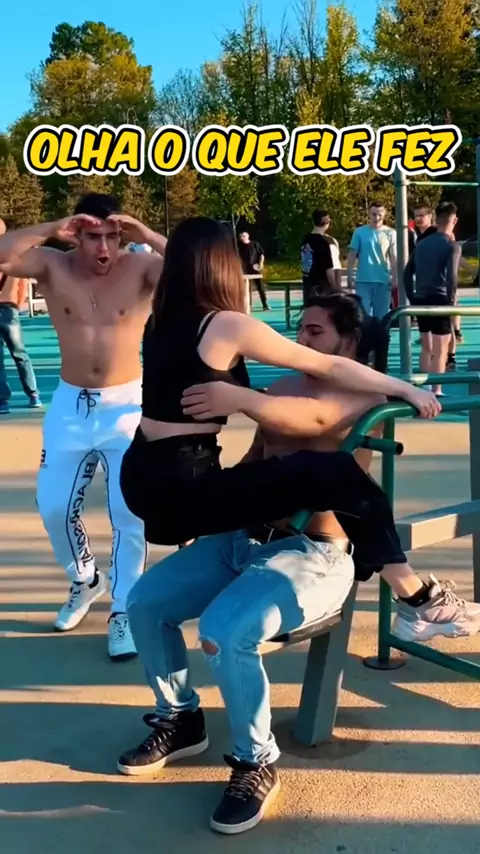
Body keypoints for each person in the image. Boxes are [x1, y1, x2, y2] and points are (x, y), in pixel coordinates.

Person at [117, 292, 478, 835]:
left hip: (313, 552)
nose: (300, 341)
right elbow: (256, 460)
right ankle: (181, 717)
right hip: (245, 539)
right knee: (145, 602)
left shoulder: (364, 399)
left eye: (315, 332)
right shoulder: (281, 386)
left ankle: (256, 761)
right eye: (300, 330)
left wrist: (240, 397)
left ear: (349, 343)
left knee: (224, 631)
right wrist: (204, 504)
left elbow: (313, 419)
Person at [119, 215, 440, 565]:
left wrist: (149, 236)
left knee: (294, 479)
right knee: (337, 472)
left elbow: (185, 265)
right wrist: (405, 388)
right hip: (185, 483)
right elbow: (328, 365)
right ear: (224, 265)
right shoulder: (226, 325)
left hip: (140, 476)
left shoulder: (160, 320)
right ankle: (411, 589)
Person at [0, 193, 167, 660]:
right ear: (76, 235)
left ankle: (124, 608)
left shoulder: (142, 267)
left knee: (128, 512)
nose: (103, 248)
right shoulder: (52, 265)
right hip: (71, 406)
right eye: (93, 237)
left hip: (126, 405)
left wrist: (145, 233)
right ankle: (86, 578)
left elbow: (201, 272)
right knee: (53, 505)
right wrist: (51, 227)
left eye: (112, 236)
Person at [404, 202, 461, 397]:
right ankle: (437, 389)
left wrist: (412, 297)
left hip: (421, 297)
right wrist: (451, 301)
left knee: (426, 347)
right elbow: (452, 276)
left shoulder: (422, 244)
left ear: (436, 219)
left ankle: (425, 387)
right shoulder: (451, 245)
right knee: (440, 347)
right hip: (439, 298)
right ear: (454, 221)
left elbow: (407, 272)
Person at [0, 219, 42, 413]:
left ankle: (3, 400)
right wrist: (17, 303)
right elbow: (23, 283)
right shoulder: (15, 255)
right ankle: (33, 394)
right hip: (10, 308)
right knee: (20, 354)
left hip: (8, 306)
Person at [347, 202, 397, 318]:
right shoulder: (359, 232)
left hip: (383, 281)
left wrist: (395, 277)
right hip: (363, 280)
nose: (377, 218)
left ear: (384, 214)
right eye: (374, 214)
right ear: (369, 214)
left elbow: (394, 256)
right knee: (362, 316)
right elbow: (352, 254)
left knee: (381, 317)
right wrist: (349, 275)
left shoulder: (390, 233)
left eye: (379, 215)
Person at [300, 209, 341, 302]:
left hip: (308, 284)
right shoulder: (326, 242)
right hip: (322, 287)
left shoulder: (305, 240)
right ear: (327, 222)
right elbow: (329, 269)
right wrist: (336, 288)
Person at [237, 231, 269, 311]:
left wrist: (261, 264)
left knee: (260, 287)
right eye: (240, 237)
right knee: (246, 288)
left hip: (255, 268)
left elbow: (261, 255)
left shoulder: (255, 244)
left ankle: (265, 304)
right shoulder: (239, 246)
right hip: (244, 270)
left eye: (243, 236)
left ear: (248, 236)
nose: (242, 238)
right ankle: (248, 305)